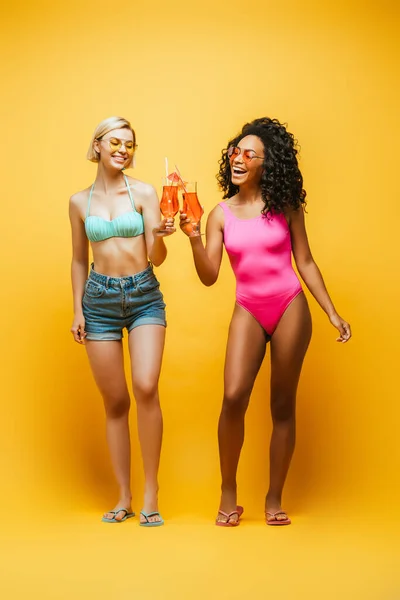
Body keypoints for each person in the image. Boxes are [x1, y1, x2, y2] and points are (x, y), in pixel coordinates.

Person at [179, 117, 351, 526]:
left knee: (281, 404)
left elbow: (304, 262)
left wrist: (331, 311)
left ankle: (274, 498)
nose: (238, 158)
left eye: (248, 154)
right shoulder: (219, 214)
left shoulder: (286, 206)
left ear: (266, 164)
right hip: (248, 308)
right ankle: (228, 493)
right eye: (235, 152)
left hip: (290, 305)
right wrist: (192, 236)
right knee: (234, 396)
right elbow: (209, 276)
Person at [69, 116, 175, 526]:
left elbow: (158, 257)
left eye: (129, 144)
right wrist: (78, 308)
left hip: (145, 295)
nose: (122, 150)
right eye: (115, 142)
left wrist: (161, 236)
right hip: (98, 301)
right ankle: (124, 496)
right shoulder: (80, 202)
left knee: (146, 386)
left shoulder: (145, 193)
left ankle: (151, 491)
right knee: (115, 401)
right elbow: (79, 259)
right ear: (97, 145)